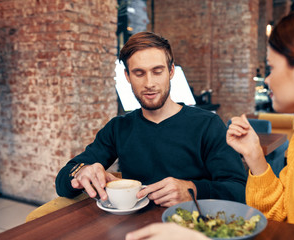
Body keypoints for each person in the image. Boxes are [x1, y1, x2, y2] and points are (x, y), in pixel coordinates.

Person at [125, 3, 294, 240]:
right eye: (139, 73)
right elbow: (278, 215)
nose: (267, 81)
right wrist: (255, 156)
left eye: (272, 68)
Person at [55, 31, 247, 207]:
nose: (149, 84)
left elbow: (238, 190)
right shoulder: (118, 128)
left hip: (192, 226)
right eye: (139, 73)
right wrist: (82, 172)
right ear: (127, 76)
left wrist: (193, 190)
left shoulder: (207, 125)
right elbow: (64, 180)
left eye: (157, 71)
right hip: (134, 227)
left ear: (171, 71)